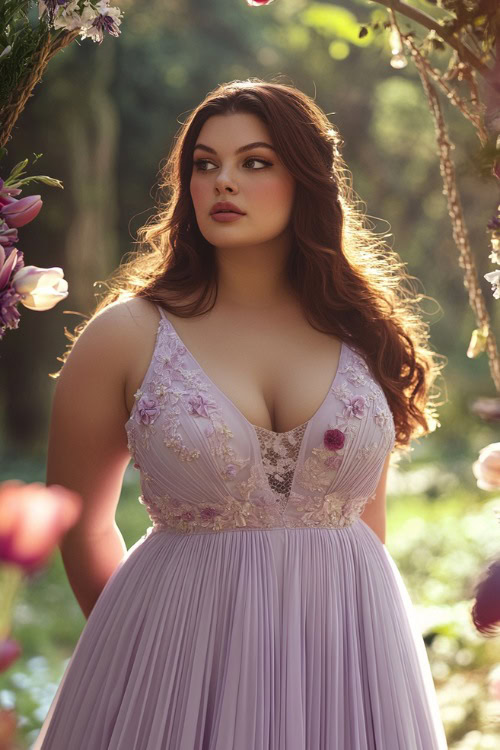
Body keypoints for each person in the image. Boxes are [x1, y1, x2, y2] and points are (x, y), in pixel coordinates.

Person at [34, 78, 448, 748]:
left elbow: (366, 526)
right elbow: (78, 523)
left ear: (305, 180)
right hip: (176, 665)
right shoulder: (125, 335)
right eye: (205, 164)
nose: (223, 181)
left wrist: (359, 665)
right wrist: (141, 657)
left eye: (255, 162)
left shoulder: (359, 332)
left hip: (351, 663)